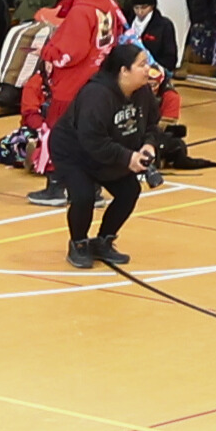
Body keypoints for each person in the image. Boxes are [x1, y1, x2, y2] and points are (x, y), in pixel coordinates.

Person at [55, 48, 162, 267]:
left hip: (112, 149)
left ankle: (104, 241)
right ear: (124, 70)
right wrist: (127, 158)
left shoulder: (142, 92)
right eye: (141, 65)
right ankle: (79, 244)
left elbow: (152, 123)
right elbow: (92, 140)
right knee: (84, 196)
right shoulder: (97, 95)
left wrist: (149, 145)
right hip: (75, 151)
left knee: (130, 191)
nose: (147, 70)